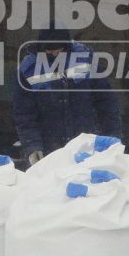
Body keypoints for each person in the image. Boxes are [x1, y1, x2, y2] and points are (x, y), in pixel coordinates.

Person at [12, 27, 123, 165]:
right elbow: (25, 115)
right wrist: (32, 146)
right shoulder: (28, 69)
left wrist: (112, 137)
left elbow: (106, 102)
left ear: (67, 46)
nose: (53, 53)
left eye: (58, 50)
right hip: (50, 149)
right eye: (48, 50)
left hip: (86, 145)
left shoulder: (85, 59)